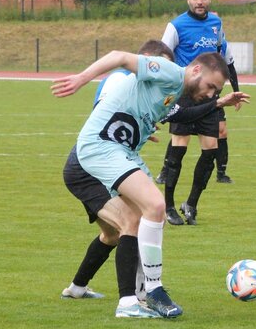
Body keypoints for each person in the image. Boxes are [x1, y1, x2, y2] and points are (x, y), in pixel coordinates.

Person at [52, 49, 249, 319]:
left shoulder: (173, 92)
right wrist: (82, 78)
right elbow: (119, 56)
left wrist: (217, 104)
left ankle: (136, 295)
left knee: (143, 219)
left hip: (120, 151)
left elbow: (181, 114)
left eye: (216, 91)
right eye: (211, 86)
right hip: (101, 147)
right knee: (154, 206)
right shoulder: (170, 72)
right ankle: (148, 293)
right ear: (195, 70)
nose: (211, 93)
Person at [60, 40, 172, 310]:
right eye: (162, 66)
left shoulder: (140, 88)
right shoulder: (121, 78)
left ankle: (76, 288)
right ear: (147, 59)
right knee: (133, 220)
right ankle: (132, 300)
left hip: (96, 165)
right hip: (90, 169)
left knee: (111, 235)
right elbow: (104, 112)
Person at [154, 0, 241, 226]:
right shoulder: (176, 26)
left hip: (210, 96)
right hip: (184, 95)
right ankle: (169, 206)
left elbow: (226, 59)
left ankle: (191, 203)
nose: (200, 2)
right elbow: (162, 58)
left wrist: (235, 90)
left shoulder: (216, 24)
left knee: (210, 151)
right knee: (177, 151)